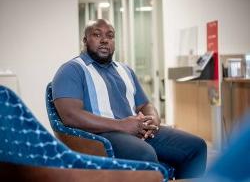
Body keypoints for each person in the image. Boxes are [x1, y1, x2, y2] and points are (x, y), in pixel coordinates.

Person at [52, 19, 207, 179]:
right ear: (85, 40)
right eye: (97, 34)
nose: (104, 40)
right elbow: (70, 115)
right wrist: (121, 125)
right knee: (144, 154)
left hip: (136, 130)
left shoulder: (125, 70)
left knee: (196, 147)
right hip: (102, 135)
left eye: (110, 36)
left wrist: (152, 119)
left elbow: (145, 104)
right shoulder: (72, 70)